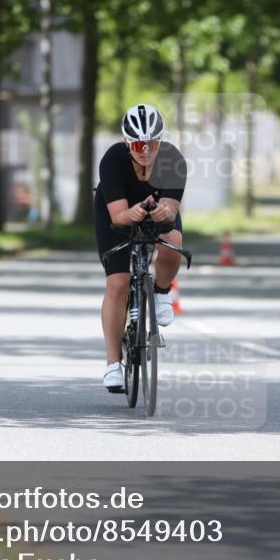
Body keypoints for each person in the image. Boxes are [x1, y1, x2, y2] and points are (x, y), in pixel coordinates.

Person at [94, 104, 187, 391]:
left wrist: (164, 212)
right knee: (118, 284)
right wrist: (131, 214)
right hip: (117, 213)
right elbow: (118, 215)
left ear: (160, 141)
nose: (144, 150)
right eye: (137, 144)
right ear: (126, 142)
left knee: (173, 243)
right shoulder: (113, 160)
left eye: (151, 143)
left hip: (157, 211)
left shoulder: (172, 159)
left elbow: (172, 208)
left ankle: (160, 293)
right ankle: (112, 365)